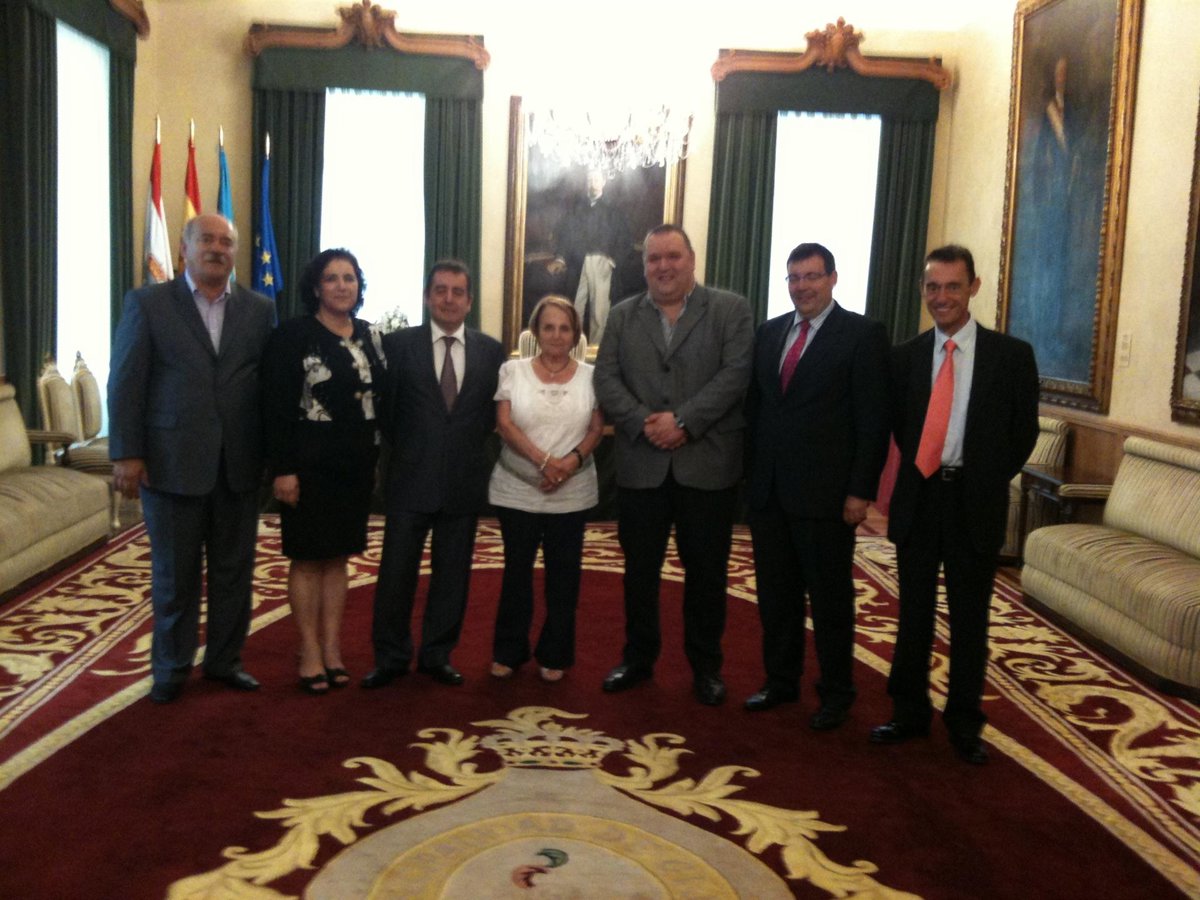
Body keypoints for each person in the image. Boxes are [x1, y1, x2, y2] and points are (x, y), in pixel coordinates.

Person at [871, 245, 1039, 764]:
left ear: (973, 287)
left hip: (975, 501)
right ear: (923, 291)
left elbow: (1023, 433)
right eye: (933, 287)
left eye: (952, 286)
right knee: (913, 614)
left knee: (970, 620)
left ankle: (965, 723)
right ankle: (908, 712)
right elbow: (901, 428)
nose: (941, 297)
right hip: (921, 498)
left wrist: (983, 476)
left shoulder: (1011, 356)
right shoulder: (903, 357)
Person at [108, 213, 276, 704]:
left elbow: (266, 386)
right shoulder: (148, 303)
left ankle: (225, 662)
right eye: (206, 239)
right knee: (175, 577)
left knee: (233, 573)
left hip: (238, 464)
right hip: (170, 463)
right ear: (185, 248)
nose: (217, 248)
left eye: (226, 241)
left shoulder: (259, 309)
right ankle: (172, 668)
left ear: (235, 252)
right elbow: (126, 381)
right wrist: (127, 452)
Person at [593, 224, 753, 706]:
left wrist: (683, 421)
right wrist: (645, 423)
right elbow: (606, 378)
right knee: (640, 573)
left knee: (706, 575)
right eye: (654, 258)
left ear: (692, 260)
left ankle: (706, 667)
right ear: (644, 266)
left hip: (707, 466)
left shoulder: (730, 310)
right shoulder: (622, 316)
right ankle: (638, 659)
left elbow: (736, 375)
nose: (663, 266)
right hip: (642, 466)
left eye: (673, 257)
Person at [744, 243, 890, 729]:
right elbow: (757, 410)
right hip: (770, 493)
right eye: (794, 278)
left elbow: (873, 420)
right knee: (776, 597)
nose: (802, 286)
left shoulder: (862, 335)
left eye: (811, 276)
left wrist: (860, 491)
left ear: (832, 278)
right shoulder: (769, 333)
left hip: (827, 497)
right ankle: (780, 681)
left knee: (829, 602)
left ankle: (836, 693)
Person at [362, 260, 505, 688]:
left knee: (453, 575)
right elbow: (387, 413)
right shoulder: (398, 346)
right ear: (427, 297)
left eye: (457, 292)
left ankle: (437, 655)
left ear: (469, 301)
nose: (448, 299)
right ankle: (391, 657)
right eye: (440, 290)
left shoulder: (490, 351)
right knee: (396, 575)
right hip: (409, 477)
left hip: (463, 480)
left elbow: (488, 417)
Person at [262, 249, 386, 695]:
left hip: (355, 465)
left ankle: (332, 647)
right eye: (331, 278)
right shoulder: (292, 336)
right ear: (316, 287)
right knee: (308, 559)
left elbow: (382, 399)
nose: (341, 286)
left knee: (338, 559)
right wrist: (283, 469)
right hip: (307, 466)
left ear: (359, 285)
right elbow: (275, 406)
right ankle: (309, 650)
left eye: (349, 278)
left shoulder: (371, 336)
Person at [488, 295, 604, 683]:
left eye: (564, 328)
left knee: (564, 578)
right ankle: (509, 651)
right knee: (516, 574)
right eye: (549, 327)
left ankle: (555, 653)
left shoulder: (592, 376)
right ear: (536, 331)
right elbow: (504, 424)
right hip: (517, 490)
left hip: (572, 492)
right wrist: (544, 462)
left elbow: (596, 429)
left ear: (575, 334)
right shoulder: (513, 370)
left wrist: (569, 463)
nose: (556, 335)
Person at [547, 168, 634, 346]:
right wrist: (561, 259)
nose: (592, 183)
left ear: (603, 182)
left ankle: (595, 351)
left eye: (596, 179)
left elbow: (625, 240)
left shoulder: (613, 211)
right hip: (578, 264)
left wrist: (612, 261)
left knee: (599, 312)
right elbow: (565, 236)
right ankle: (572, 348)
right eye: (589, 179)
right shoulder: (576, 210)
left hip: (601, 263)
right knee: (574, 308)